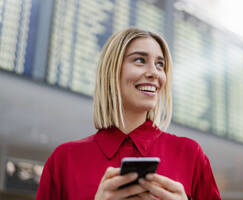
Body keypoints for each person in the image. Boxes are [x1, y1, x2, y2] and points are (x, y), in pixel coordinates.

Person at [36, 28, 221, 200]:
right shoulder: (64, 160)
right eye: (140, 60)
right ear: (112, 71)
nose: (154, 73)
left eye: (160, 64)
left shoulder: (190, 154)